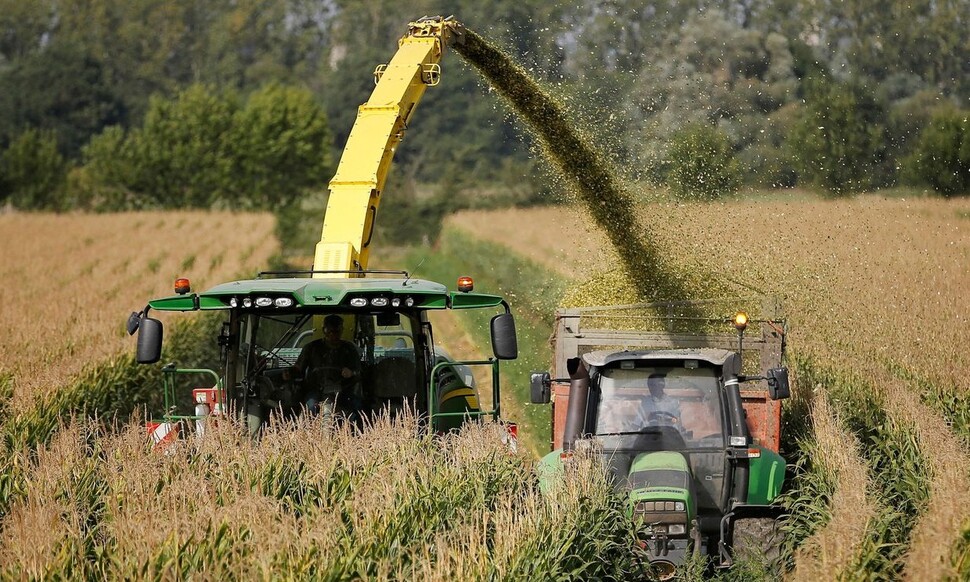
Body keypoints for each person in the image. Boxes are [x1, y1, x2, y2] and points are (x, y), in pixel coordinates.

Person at [292, 314, 361, 415]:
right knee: (310, 407)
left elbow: (360, 372)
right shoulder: (311, 348)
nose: (333, 334)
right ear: (324, 330)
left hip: (343, 391)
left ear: (342, 330)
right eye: (330, 331)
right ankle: (309, 428)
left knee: (357, 407)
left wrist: (352, 373)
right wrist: (290, 372)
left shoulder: (349, 349)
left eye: (337, 331)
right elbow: (298, 368)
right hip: (316, 390)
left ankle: (355, 428)